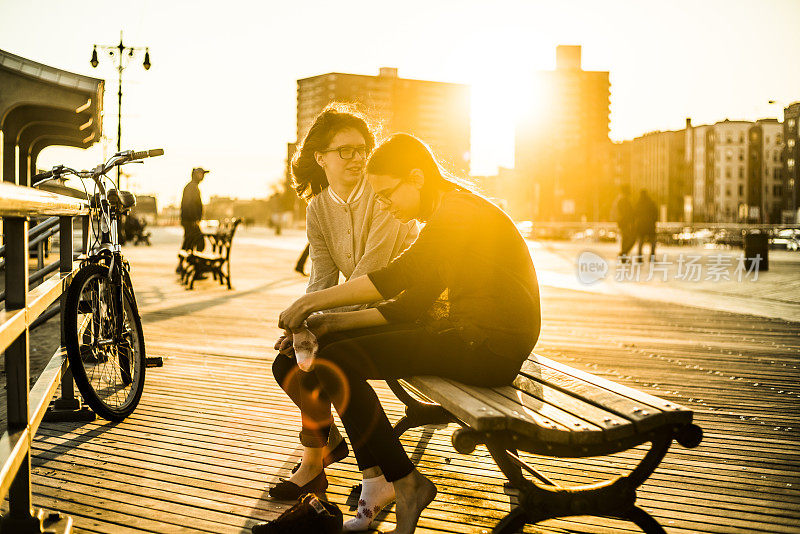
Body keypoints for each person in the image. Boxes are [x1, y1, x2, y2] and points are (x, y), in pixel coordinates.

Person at [277, 133, 541, 534]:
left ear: (416, 178)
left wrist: (311, 304)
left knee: (339, 360)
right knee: (332, 349)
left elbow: (395, 278)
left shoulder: (457, 213)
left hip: (487, 348)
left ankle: (402, 482)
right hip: (471, 337)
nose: (385, 205)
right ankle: (386, 482)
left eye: (387, 195)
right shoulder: (447, 211)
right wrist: (328, 324)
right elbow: (411, 305)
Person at [265, 105, 417, 530]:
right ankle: (318, 457)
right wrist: (300, 325)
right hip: (364, 306)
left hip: (401, 308)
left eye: (362, 150)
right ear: (321, 157)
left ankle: (351, 467)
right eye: (345, 150)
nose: (356, 159)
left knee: (325, 357)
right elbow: (322, 278)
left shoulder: (383, 196)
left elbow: (372, 274)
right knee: (288, 361)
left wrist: (313, 322)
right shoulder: (318, 207)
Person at [180, 167, 208, 252]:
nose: (203, 177)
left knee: (189, 242)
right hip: (190, 221)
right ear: (195, 175)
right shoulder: (192, 187)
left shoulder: (192, 186)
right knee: (198, 242)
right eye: (201, 174)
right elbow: (189, 204)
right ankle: (191, 261)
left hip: (190, 220)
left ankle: (186, 260)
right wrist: (194, 219)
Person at [612, 184, 634, 261]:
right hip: (625, 222)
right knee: (630, 239)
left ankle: (623, 256)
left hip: (622, 222)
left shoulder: (620, 199)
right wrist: (631, 221)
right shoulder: (623, 200)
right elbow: (627, 212)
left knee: (625, 239)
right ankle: (623, 254)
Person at [635, 189, 658, 259]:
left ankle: (639, 257)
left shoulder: (638, 204)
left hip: (641, 226)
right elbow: (655, 213)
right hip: (650, 225)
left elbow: (635, 214)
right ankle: (652, 257)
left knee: (640, 242)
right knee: (653, 242)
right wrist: (653, 221)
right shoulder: (651, 203)